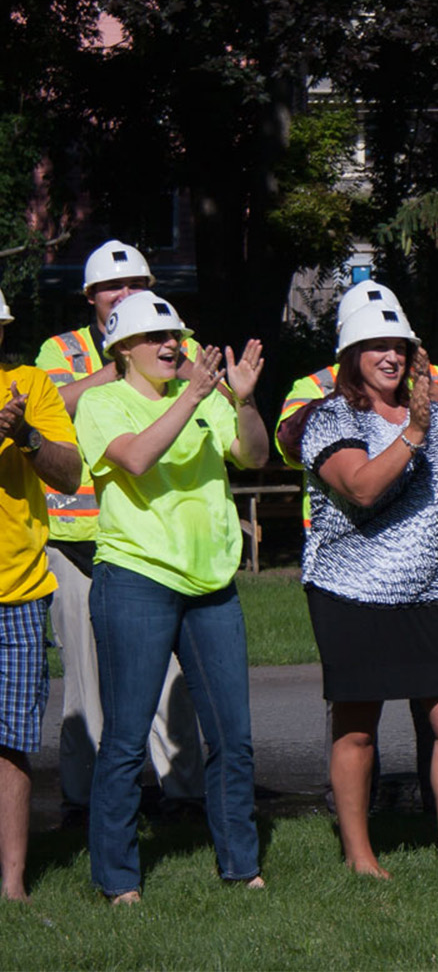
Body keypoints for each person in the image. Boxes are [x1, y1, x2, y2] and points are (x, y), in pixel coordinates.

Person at [73, 292, 268, 902]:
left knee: (232, 736)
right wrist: (193, 396)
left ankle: (241, 866)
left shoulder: (209, 401)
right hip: (135, 579)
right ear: (122, 348)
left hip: (212, 582)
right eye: (156, 337)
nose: (170, 345)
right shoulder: (103, 403)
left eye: (176, 337)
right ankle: (117, 879)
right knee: (127, 738)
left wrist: (245, 398)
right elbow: (134, 459)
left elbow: (254, 455)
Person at [299, 301, 438, 877]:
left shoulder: (434, 416)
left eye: (400, 347)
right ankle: (361, 856)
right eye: (376, 346)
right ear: (351, 357)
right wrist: (416, 427)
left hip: (425, 589)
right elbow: (362, 488)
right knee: (358, 725)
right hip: (349, 591)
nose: (390, 356)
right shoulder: (331, 418)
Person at [34, 240, 204, 826]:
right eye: (113, 286)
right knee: (85, 678)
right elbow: (46, 406)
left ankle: (182, 791)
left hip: (153, 536)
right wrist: (115, 367)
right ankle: (86, 799)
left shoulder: (173, 338)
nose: (125, 294)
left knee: (169, 676)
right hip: (75, 538)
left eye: (136, 284)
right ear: (90, 297)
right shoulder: (62, 350)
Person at [0, 290, 82, 900]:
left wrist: (25, 433)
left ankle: (14, 885)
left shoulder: (29, 385)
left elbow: (68, 474)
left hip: (20, 592)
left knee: (11, 744)